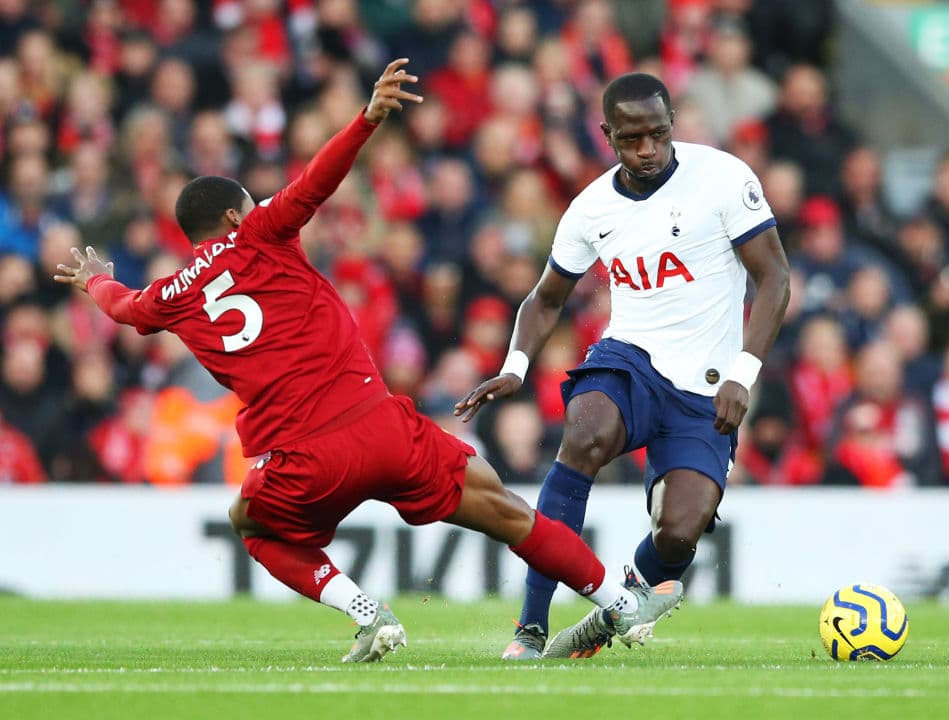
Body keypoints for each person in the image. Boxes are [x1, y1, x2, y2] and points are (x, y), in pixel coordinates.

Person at [54, 59, 682, 664]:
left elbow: (122, 307)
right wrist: (367, 119)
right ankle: (619, 600)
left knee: (252, 524)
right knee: (504, 511)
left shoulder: (170, 294)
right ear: (232, 216)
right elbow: (315, 182)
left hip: (300, 460)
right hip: (380, 428)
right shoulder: (258, 234)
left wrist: (91, 281)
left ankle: (365, 612)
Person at [455, 72, 790, 660]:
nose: (648, 150)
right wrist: (516, 364)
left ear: (672, 124)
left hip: (708, 388)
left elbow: (775, 278)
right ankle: (530, 629)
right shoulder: (592, 209)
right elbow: (546, 297)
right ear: (608, 134)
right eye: (632, 138)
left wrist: (743, 372)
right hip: (631, 359)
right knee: (582, 435)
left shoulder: (723, 177)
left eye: (659, 134)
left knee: (680, 532)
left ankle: (619, 606)